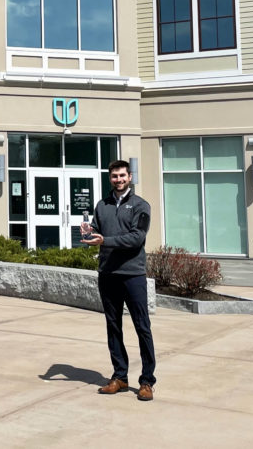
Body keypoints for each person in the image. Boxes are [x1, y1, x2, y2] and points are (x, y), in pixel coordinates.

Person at [81, 159, 157, 400]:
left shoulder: (141, 206)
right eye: (115, 176)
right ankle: (120, 377)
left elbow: (137, 238)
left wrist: (106, 241)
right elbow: (97, 230)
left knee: (142, 328)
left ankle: (147, 381)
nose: (119, 180)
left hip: (133, 275)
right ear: (110, 178)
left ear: (130, 177)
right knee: (113, 327)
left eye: (122, 176)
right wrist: (88, 233)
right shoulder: (102, 205)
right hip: (108, 275)